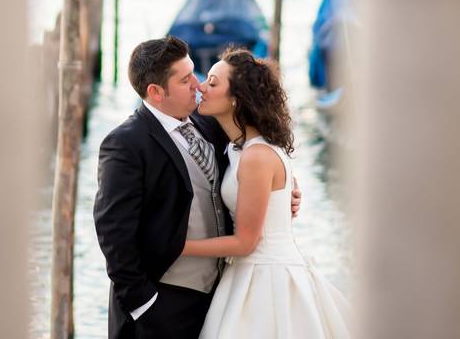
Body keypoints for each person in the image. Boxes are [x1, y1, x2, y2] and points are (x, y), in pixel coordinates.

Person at [93, 37, 301, 339]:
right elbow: (114, 233)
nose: (198, 84)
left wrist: (286, 191)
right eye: (185, 79)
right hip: (163, 303)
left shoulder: (211, 123)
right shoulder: (125, 144)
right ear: (155, 92)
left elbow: (255, 161)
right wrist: (144, 304)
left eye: (195, 73)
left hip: (223, 295)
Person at [183, 47, 350, 338]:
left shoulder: (255, 154)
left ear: (235, 99)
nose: (201, 87)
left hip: (266, 277)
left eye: (212, 82)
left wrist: (179, 247)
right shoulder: (239, 146)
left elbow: (247, 242)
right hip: (246, 272)